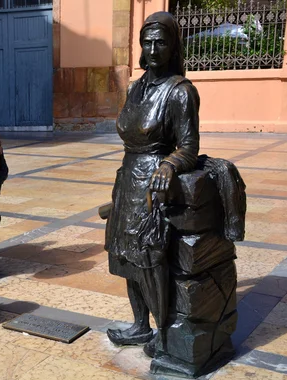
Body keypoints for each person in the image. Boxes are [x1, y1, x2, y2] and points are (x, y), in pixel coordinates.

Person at [104, 11, 200, 354]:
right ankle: (139, 326)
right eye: (148, 41)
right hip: (127, 179)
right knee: (126, 257)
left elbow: (189, 145)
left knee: (150, 259)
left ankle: (162, 331)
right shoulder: (136, 88)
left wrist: (170, 164)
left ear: (173, 46)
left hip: (153, 187)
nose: (154, 48)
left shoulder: (180, 92)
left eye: (161, 41)